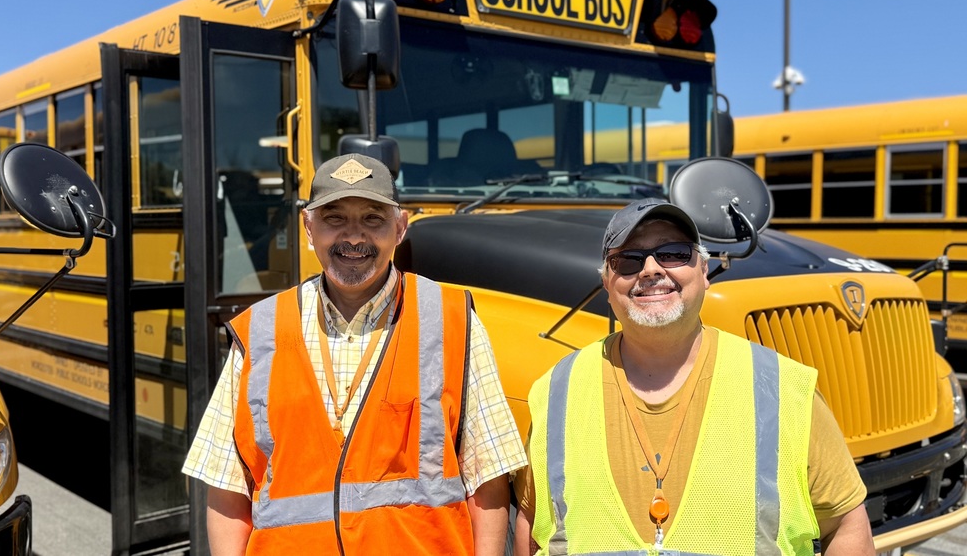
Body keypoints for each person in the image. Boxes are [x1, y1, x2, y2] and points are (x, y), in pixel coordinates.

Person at [183, 153, 526, 555]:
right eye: (334, 218)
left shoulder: (453, 322)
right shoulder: (259, 331)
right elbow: (227, 486)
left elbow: (487, 479)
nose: (354, 237)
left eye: (372, 219)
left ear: (399, 228)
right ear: (309, 229)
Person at [513, 198, 874, 556]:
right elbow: (532, 527)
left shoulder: (784, 389)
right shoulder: (556, 390)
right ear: (607, 284)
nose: (651, 269)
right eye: (627, 261)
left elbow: (845, 525)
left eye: (673, 253)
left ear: (704, 271)